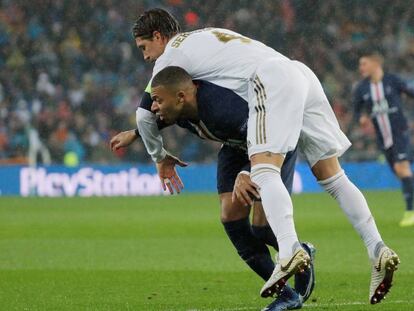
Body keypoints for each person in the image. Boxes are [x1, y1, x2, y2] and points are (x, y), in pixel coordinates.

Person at [132, 9, 401, 303]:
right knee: (333, 177)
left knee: (263, 171)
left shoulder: (169, 58)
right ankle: (376, 247)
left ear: (158, 37)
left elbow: (145, 113)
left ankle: (288, 250)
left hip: (270, 80)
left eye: (145, 48)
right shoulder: (204, 37)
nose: (147, 57)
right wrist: (134, 132)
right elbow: (168, 106)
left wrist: (159, 155)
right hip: (299, 73)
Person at [110, 77, 316, 310]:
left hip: (272, 143)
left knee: (263, 229)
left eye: (157, 100)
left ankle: (301, 252)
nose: (153, 107)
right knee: (230, 217)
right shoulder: (181, 108)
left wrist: (248, 172)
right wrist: (136, 133)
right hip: (234, 147)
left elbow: (270, 135)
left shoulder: (223, 109)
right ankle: (287, 294)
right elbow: (161, 118)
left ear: (181, 97)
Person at [353, 51, 414, 227]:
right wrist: (361, 118)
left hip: (399, 132)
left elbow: (410, 92)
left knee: (402, 169)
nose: (361, 68)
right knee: (399, 172)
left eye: (364, 64)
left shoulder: (392, 80)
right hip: (382, 137)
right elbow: (357, 109)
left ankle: (410, 212)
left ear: (375, 63)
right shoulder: (362, 88)